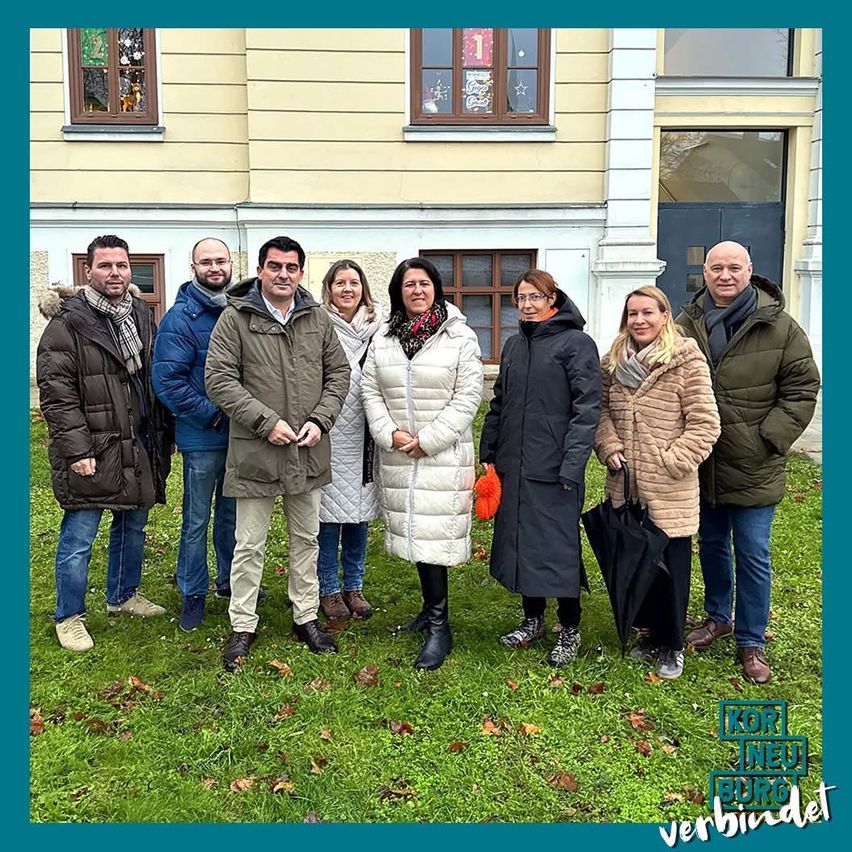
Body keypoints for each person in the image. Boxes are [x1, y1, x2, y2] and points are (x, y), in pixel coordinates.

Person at [677, 241, 820, 685]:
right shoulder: (686, 323)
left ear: (750, 271)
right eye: (716, 268)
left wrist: (769, 439)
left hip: (755, 462)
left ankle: (751, 639)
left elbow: (801, 387)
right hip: (705, 462)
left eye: (733, 268)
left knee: (753, 553)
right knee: (713, 545)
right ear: (704, 272)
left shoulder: (779, 326)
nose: (725, 276)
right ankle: (718, 616)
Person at [205, 236, 350, 671]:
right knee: (249, 544)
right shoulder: (235, 319)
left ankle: (305, 616)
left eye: (291, 267)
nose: (282, 274)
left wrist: (321, 419)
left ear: (301, 273)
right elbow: (219, 379)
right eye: (274, 266)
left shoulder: (317, 320)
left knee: (306, 539)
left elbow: (339, 373)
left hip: (307, 449)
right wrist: (266, 422)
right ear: (261, 270)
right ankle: (242, 624)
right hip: (257, 452)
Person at [36, 235, 172, 652]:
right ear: (88, 272)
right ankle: (69, 616)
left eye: (122, 266)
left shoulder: (140, 316)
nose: (115, 273)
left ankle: (123, 596)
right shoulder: (68, 323)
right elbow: (57, 393)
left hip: (138, 441)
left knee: (133, 524)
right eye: (106, 266)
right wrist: (77, 452)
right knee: (80, 536)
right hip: (94, 447)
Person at [361, 257, 482, 670]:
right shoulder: (385, 337)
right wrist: (388, 432)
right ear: (399, 291)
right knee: (414, 531)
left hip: (441, 454)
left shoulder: (459, 337)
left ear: (436, 289)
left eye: (424, 283)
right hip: (398, 452)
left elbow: (468, 396)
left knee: (432, 538)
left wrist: (427, 441)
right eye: (409, 284)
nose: (417, 290)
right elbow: (369, 389)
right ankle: (429, 611)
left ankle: (439, 627)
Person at [594, 286, 720, 679]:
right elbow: (600, 413)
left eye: (648, 312)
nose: (640, 320)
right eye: (632, 313)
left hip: (668, 487)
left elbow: (705, 424)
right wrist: (609, 445)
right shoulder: (613, 364)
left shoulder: (686, 361)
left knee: (670, 566)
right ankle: (649, 635)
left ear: (665, 316)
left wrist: (673, 462)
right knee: (636, 563)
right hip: (626, 483)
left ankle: (672, 644)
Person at [479, 269, 601, 667]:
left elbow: (587, 410)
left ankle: (570, 628)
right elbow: (499, 401)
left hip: (554, 469)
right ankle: (533, 618)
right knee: (521, 542)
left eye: (536, 297)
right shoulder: (515, 345)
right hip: (515, 465)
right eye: (522, 298)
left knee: (557, 548)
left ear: (553, 299)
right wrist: (489, 449)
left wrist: (572, 464)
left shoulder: (576, 344)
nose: (528, 304)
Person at [152, 238, 242, 631]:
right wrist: (214, 416)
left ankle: (230, 583)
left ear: (231, 263)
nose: (215, 267)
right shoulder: (181, 319)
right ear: (193, 268)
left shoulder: (241, 310)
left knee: (232, 516)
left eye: (221, 260)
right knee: (196, 519)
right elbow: (167, 381)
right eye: (206, 262)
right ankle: (193, 591)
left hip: (242, 438)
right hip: (203, 437)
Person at [316, 260, 383, 621]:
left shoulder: (379, 328)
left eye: (353, 282)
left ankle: (354, 586)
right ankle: (327, 588)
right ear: (328, 290)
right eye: (339, 283)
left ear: (363, 289)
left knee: (359, 515)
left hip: (367, 431)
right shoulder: (317, 325)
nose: (347, 289)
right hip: (330, 427)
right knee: (328, 516)